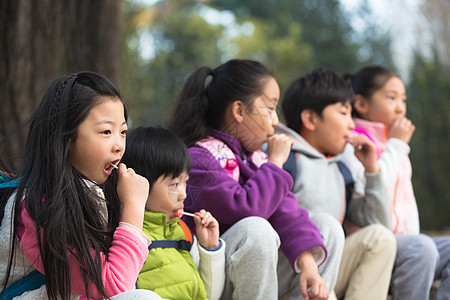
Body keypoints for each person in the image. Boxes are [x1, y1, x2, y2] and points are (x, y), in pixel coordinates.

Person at [168, 59, 336, 300]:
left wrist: (309, 265)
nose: (276, 121)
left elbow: (287, 211)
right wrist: (275, 164)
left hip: (253, 274)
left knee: (327, 227)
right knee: (255, 229)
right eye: (269, 108)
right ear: (239, 111)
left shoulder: (255, 159)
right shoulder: (200, 158)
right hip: (212, 279)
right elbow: (247, 208)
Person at [0, 72, 161, 299]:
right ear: (67, 138)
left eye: (123, 132)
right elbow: (116, 287)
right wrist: (133, 208)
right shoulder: (40, 206)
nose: (118, 146)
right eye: (106, 132)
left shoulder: (97, 193)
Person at [279, 67, 397, 300]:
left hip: (328, 269)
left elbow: (380, 224)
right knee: (326, 228)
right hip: (290, 273)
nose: (352, 125)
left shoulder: (341, 170)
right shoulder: (284, 159)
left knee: (380, 239)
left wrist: (371, 171)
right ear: (311, 119)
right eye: (343, 113)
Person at [342, 65, 450, 300]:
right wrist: (397, 145)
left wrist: (415, 234)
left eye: (403, 99)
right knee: (421, 248)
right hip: (375, 243)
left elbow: (407, 203)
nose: (400, 107)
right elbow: (373, 190)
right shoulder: (352, 143)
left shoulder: (395, 145)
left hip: (408, 244)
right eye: (391, 98)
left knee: (436, 247)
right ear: (361, 104)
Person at [120, 125, 226, 300]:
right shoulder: (128, 238)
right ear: (141, 184)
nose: (183, 194)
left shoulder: (182, 233)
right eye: (175, 185)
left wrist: (209, 248)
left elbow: (209, 295)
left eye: (185, 183)